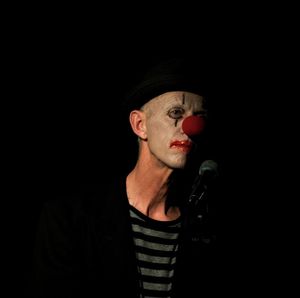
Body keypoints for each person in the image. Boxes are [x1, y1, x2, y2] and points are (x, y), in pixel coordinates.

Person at [28, 56, 219, 297]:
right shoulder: (70, 219)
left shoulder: (203, 229)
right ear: (140, 124)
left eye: (199, 116)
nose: (191, 126)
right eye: (176, 112)